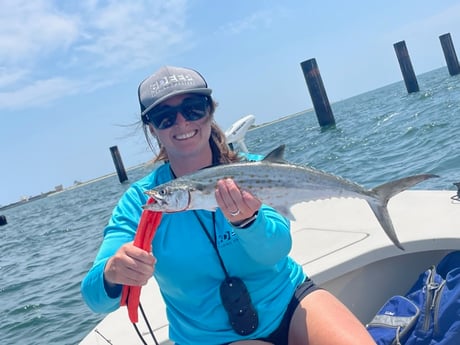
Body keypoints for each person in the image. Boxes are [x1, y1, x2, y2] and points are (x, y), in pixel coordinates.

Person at [81, 65, 376, 345]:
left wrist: (248, 223)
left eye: (193, 108)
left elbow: (276, 250)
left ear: (210, 110)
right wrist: (113, 272)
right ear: (152, 128)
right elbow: (94, 296)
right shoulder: (144, 200)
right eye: (164, 116)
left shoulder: (255, 171)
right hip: (210, 337)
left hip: (287, 300)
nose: (182, 122)